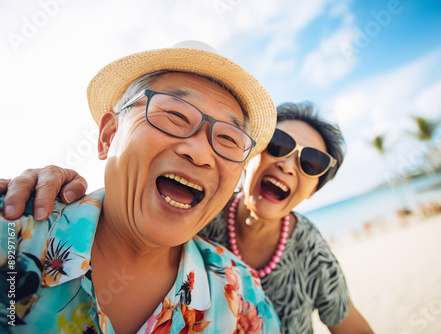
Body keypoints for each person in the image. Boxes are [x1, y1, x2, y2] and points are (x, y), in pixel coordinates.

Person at [2, 103, 375, 333]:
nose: (288, 164)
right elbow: (129, 199)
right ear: (249, 159)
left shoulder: (312, 255)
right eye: (277, 145)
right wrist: (52, 187)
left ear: (313, 190)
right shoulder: (196, 211)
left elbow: (347, 322)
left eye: (311, 163)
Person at [0, 41, 282, 333]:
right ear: (108, 137)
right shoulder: (11, 233)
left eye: (229, 139)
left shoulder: (244, 296)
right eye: (175, 116)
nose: (199, 153)